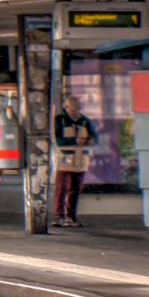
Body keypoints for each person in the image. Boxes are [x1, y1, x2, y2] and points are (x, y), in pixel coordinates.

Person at [52, 90, 95, 228]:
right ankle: (59, 216)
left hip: (80, 160)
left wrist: (87, 142)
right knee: (61, 188)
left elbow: (94, 137)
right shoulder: (59, 121)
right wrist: (76, 141)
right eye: (73, 109)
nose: (76, 112)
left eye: (78, 109)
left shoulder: (85, 121)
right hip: (64, 159)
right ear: (67, 108)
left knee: (75, 189)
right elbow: (57, 140)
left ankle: (71, 216)